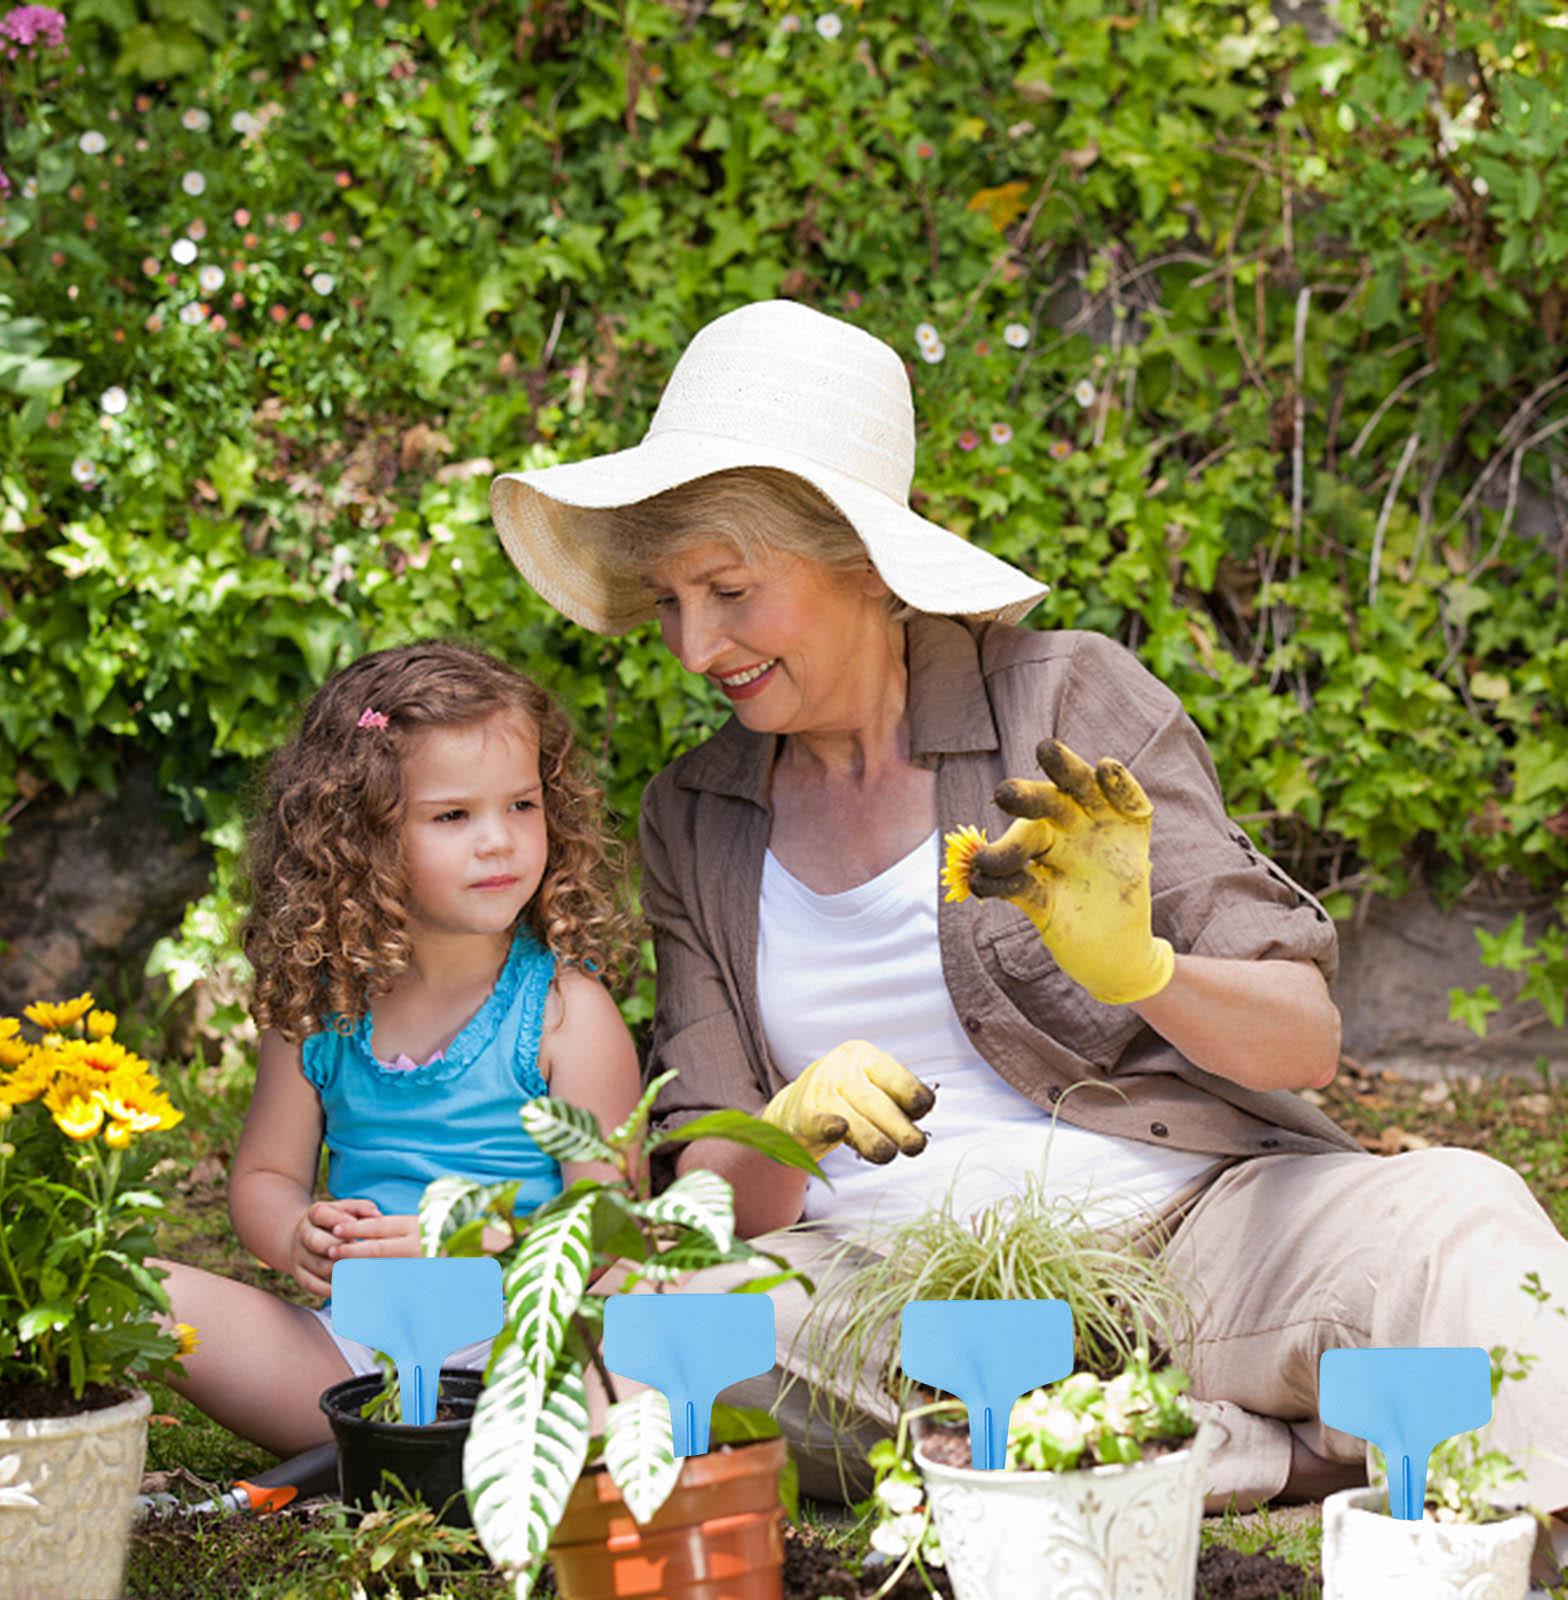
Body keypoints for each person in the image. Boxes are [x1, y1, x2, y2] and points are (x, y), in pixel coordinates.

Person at [486, 299, 1568, 1575]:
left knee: (1458, 1213)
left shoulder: (1060, 698)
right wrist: (785, 1123)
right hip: (888, 1299)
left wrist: (1144, 970)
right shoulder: (697, 814)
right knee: (659, 1320)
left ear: (866, 562)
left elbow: (1304, 1039)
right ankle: (1244, 1448)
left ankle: (1131, 1450)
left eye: (729, 590)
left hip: (1192, 1247)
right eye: (669, 601)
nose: (694, 645)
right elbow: (720, 1198)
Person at [147, 640, 643, 1457]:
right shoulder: (320, 1007)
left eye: (522, 805)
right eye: (453, 816)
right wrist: (298, 1231)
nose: (500, 841)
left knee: (643, 1293)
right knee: (147, 1293)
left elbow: (616, 1224)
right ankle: (406, 1444)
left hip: (529, 1355)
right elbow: (266, 1176)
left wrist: (485, 1238)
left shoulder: (562, 1014)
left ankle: (508, 1450)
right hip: (352, 1361)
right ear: (360, 836)